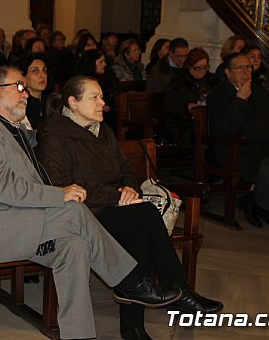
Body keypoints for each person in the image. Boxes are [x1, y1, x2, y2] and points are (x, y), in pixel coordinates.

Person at [0, 66, 181, 340]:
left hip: (15, 222)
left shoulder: (8, 127)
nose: (25, 94)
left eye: (25, 88)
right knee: (73, 210)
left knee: (74, 246)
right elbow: (2, 187)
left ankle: (79, 335)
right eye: (19, 87)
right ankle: (129, 282)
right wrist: (59, 194)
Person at [35, 75, 223, 340]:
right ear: (73, 103)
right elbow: (62, 184)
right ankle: (180, 291)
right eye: (94, 97)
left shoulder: (103, 130)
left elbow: (125, 169)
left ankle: (133, 328)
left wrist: (130, 188)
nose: (103, 103)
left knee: (139, 236)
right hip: (83, 214)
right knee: (145, 214)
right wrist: (117, 195)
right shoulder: (54, 136)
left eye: (101, 96)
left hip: (115, 206)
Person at [207, 52, 269, 227]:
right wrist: (240, 100)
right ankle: (266, 210)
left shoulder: (259, 92)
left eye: (248, 67)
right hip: (236, 149)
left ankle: (253, 200)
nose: (245, 71)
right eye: (240, 68)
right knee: (268, 171)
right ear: (228, 73)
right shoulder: (218, 95)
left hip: (265, 148)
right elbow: (224, 129)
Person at [164, 48, 218, 147]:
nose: (202, 71)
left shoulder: (212, 80)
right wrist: (187, 107)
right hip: (184, 126)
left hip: (209, 123)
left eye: (205, 67)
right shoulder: (178, 81)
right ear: (189, 66)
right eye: (198, 68)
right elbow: (171, 106)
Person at [18, 52, 48, 129]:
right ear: (23, 77)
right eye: (35, 71)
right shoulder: (21, 105)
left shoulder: (51, 101)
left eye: (44, 70)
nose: (43, 75)